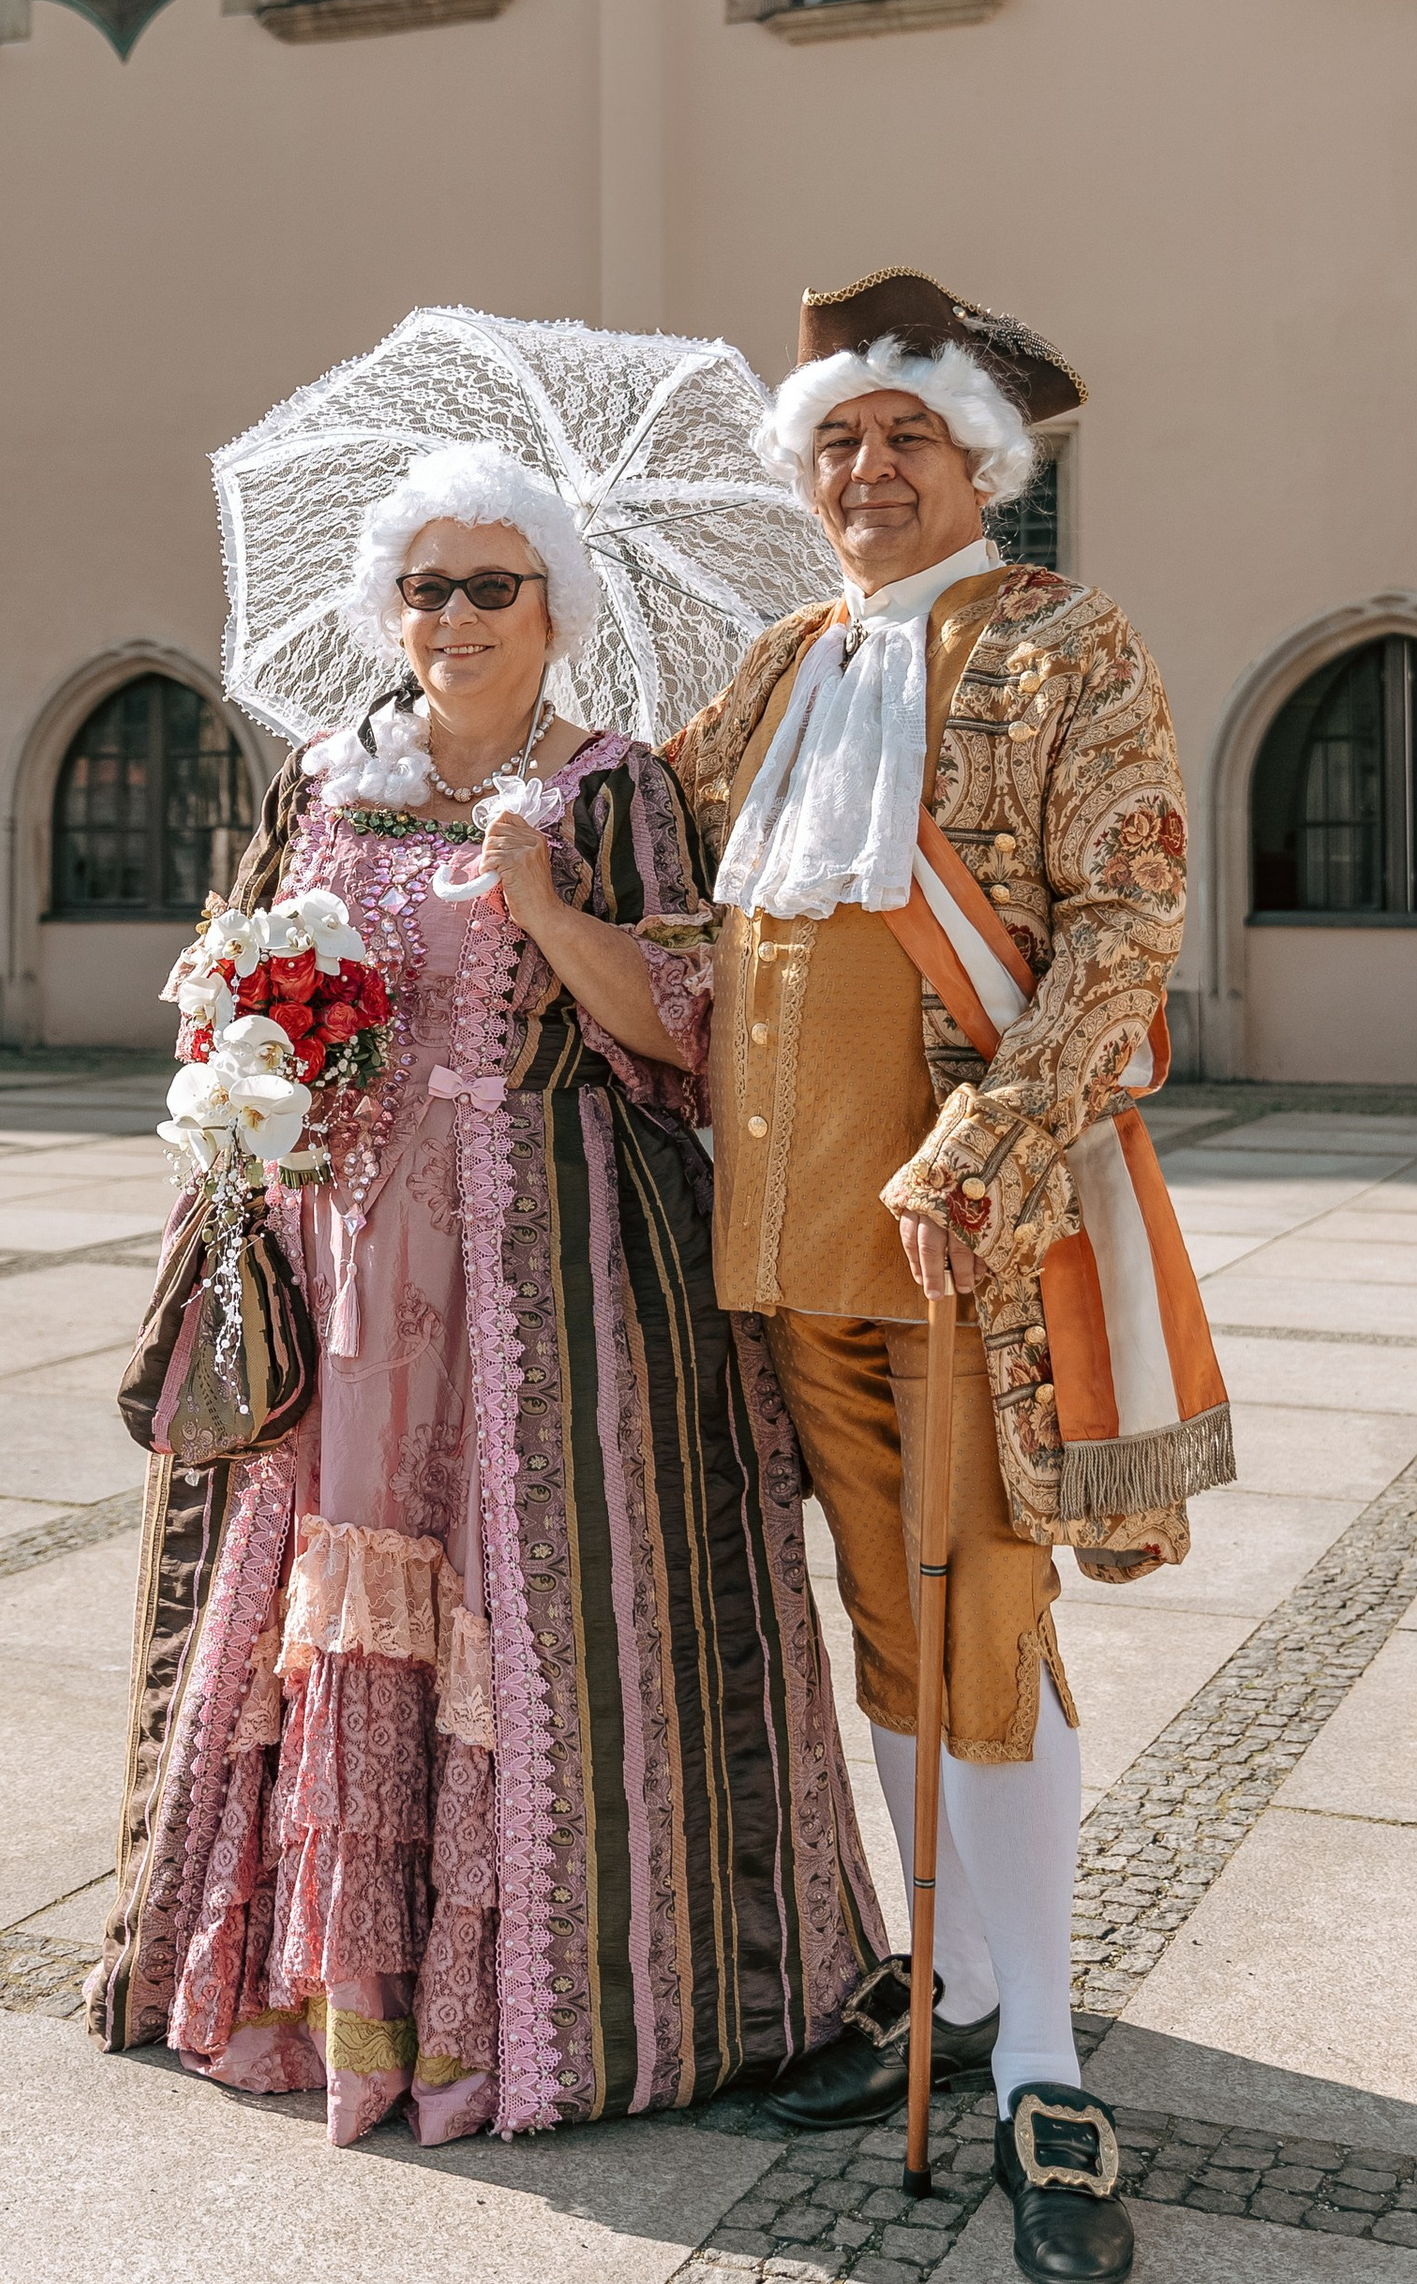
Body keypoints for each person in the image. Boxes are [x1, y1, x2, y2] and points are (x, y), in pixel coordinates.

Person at [92, 439, 884, 2142]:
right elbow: (225, 978)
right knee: (335, 1575)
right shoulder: (320, 776)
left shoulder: (611, 793)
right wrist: (253, 1021)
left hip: (551, 1253)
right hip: (345, 1238)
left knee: (532, 1593)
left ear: (554, 609)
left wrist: (538, 898)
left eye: (491, 587)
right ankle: (333, 1990)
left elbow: (688, 1027)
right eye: (426, 586)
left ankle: (499, 2014)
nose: (452, 618)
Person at [668, 270, 1229, 2284]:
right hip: (782, 1245)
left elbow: (1117, 930)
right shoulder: (774, 664)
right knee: (877, 1625)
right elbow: (645, 842)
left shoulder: (1070, 644)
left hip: (956, 1238)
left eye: (903, 437)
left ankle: (1043, 2061)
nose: (866, 466)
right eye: (835, 439)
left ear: (972, 462)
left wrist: (973, 1152)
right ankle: (959, 1983)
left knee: (978, 1626)